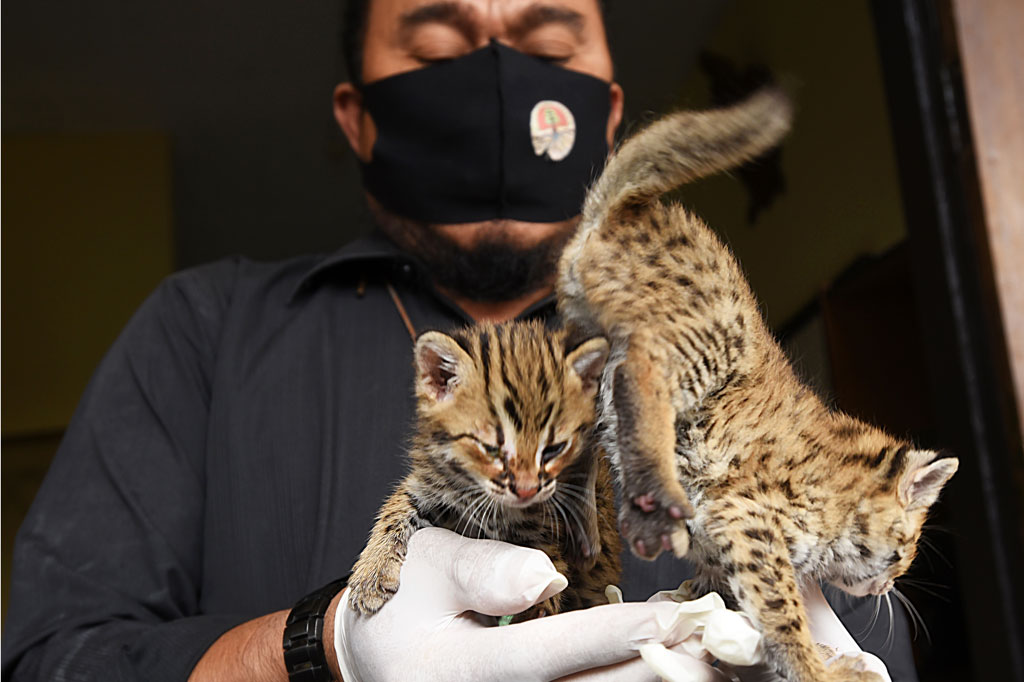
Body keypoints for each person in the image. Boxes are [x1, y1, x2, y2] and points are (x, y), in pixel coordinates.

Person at [1, 0, 920, 680]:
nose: (495, 82)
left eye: (547, 46)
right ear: (358, 117)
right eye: (437, 48)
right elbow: (54, 658)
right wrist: (321, 649)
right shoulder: (202, 333)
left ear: (604, 113)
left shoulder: (731, 370)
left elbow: (873, 626)